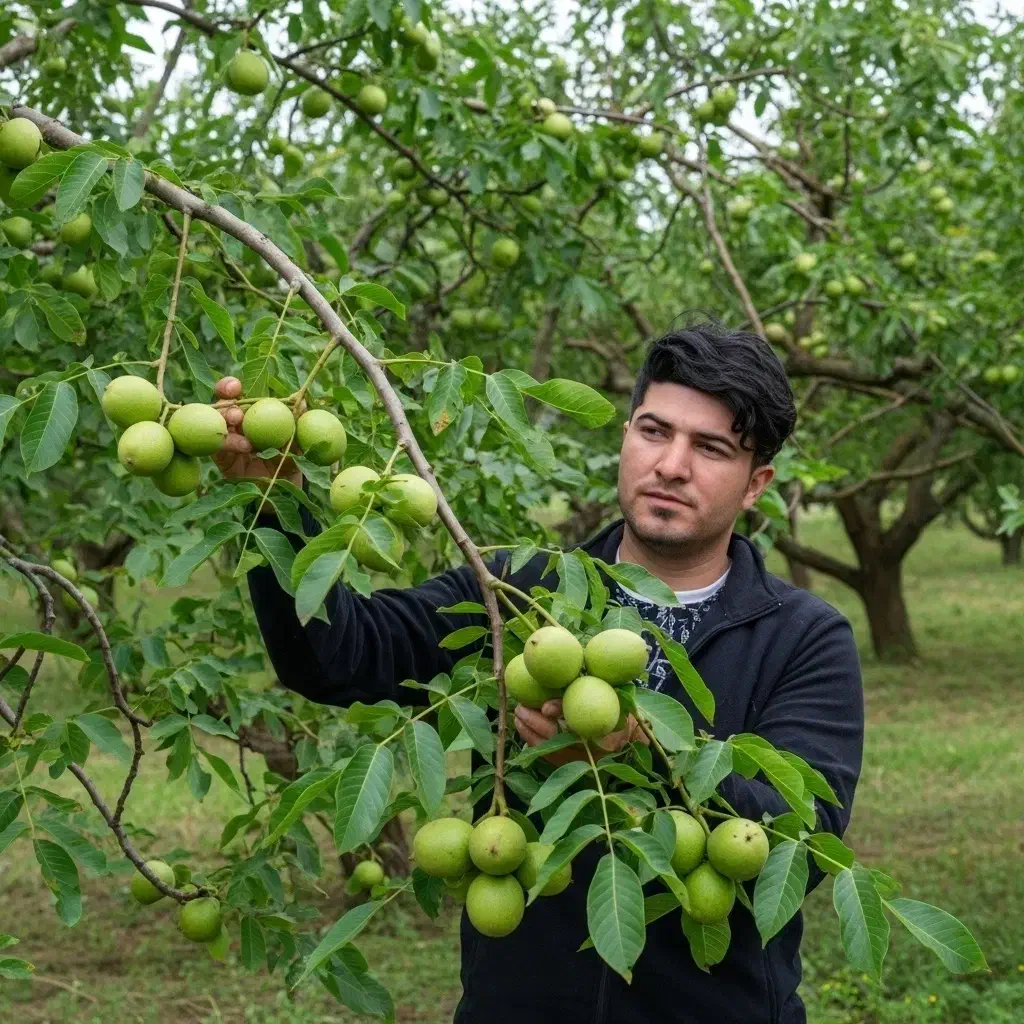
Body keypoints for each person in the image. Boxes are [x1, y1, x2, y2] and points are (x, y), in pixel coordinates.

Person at [215, 320, 864, 1024]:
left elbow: (803, 838)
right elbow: (335, 659)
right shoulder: (514, 593)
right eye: (654, 432)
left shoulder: (807, 637)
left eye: (710, 448)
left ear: (755, 485)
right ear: (625, 437)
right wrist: (278, 505)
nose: (671, 466)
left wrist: (642, 753)